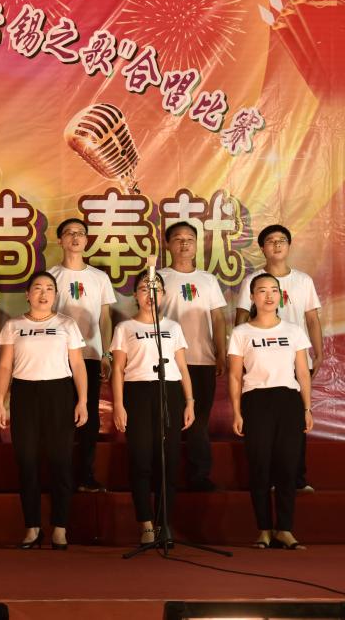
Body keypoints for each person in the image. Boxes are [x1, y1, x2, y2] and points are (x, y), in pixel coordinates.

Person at [0, 271, 88, 550]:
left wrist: (82, 400)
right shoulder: (13, 325)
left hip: (59, 393)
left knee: (61, 462)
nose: (43, 293)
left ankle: (60, 528)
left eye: (49, 288)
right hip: (25, 394)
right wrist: (0, 401)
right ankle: (32, 528)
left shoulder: (66, 324)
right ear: (27, 294)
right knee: (27, 462)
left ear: (55, 295)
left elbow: (78, 365)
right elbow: (4, 366)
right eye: (37, 288)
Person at [234, 224, 322, 493]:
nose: (277, 244)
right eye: (271, 241)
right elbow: (241, 317)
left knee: (296, 423)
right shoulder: (252, 281)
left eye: (282, 240)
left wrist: (318, 352)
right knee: (264, 428)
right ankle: (270, 480)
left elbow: (312, 319)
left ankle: (297, 479)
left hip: (295, 359)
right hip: (262, 361)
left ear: (289, 245)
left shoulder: (303, 281)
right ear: (262, 248)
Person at [229, 273, 313, 549]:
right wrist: (237, 412)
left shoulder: (293, 331)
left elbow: (303, 372)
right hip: (256, 401)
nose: (269, 296)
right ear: (252, 297)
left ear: (281, 296)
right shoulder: (241, 333)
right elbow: (234, 376)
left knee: (287, 466)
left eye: (274, 290)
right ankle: (264, 529)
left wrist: (307, 408)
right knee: (260, 466)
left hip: (288, 401)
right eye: (262, 290)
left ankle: (285, 529)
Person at [111, 271, 195, 545]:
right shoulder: (125, 328)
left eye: (156, 288)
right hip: (138, 393)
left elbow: (182, 367)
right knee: (141, 458)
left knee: (168, 461)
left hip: (169, 392)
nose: (151, 294)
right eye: (145, 289)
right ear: (136, 295)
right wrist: (119, 405)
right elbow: (118, 369)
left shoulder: (173, 327)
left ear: (164, 295)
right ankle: (146, 524)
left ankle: (164, 523)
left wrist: (190, 401)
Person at [157, 221, 227, 492]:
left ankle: (199, 476)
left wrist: (220, 353)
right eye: (177, 238)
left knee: (198, 421)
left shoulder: (208, 280)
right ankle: (167, 478)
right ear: (168, 244)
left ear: (196, 245)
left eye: (189, 238)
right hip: (168, 362)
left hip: (202, 360)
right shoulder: (158, 278)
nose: (184, 243)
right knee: (168, 422)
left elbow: (218, 319)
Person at [48, 217, 116, 493]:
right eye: (69, 233)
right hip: (58, 357)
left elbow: (105, 318)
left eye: (80, 233)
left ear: (86, 240)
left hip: (90, 355)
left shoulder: (99, 277)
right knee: (60, 417)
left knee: (89, 416)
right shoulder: (51, 276)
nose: (75, 237)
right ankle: (60, 477)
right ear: (60, 240)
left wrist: (106, 354)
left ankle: (86, 475)